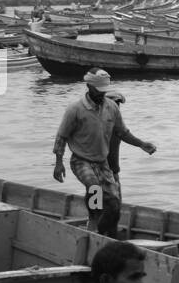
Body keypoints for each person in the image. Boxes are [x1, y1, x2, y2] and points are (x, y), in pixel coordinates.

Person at [53, 69, 156, 238]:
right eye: (97, 90)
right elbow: (61, 137)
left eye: (104, 91)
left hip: (102, 163)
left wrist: (142, 144)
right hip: (81, 160)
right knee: (94, 188)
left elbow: (123, 132)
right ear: (88, 86)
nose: (101, 95)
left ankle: (101, 234)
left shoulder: (112, 107)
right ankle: (93, 222)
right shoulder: (75, 109)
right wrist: (59, 163)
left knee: (115, 204)